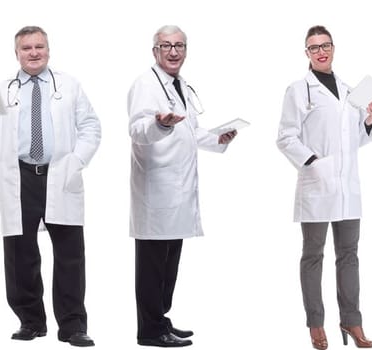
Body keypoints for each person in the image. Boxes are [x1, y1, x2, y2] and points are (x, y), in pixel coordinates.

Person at [0, 25, 101, 347]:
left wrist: (76, 162)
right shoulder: (3, 89)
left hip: (60, 175)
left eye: (39, 47)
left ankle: (73, 325)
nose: (34, 53)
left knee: (70, 254)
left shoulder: (70, 85)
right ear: (16, 53)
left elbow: (91, 126)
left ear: (48, 49)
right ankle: (31, 321)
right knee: (21, 254)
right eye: (26, 48)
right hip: (19, 176)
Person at [127, 25, 237, 348]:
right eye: (166, 46)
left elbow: (190, 131)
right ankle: (149, 330)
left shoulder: (181, 85)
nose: (173, 51)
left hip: (178, 190)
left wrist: (218, 138)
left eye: (179, 45)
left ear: (186, 50)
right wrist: (157, 123)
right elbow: (136, 128)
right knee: (152, 265)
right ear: (155, 51)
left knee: (169, 263)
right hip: (156, 189)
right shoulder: (145, 84)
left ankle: (161, 320)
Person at [276, 25, 372, 350]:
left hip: (348, 188)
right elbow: (284, 137)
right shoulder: (297, 90)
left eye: (325, 45)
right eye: (313, 48)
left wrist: (369, 120)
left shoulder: (352, 91)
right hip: (317, 186)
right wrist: (313, 163)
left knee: (349, 255)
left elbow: (356, 139)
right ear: (306, 54)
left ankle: (352, 321)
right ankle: (316, 325)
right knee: (313, 255)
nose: (321, 51)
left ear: (334, 48)